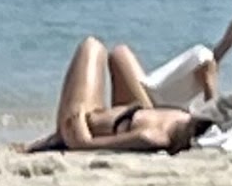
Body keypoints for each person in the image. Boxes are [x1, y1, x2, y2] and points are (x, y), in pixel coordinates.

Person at [26, 36, 207, 154]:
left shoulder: (154, 136)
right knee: (120, 53)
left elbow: (87, 144)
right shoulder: (184, 119)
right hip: (132, 112)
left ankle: (57, 137)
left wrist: (80, 138)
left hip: (86, 122)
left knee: (92, 46)